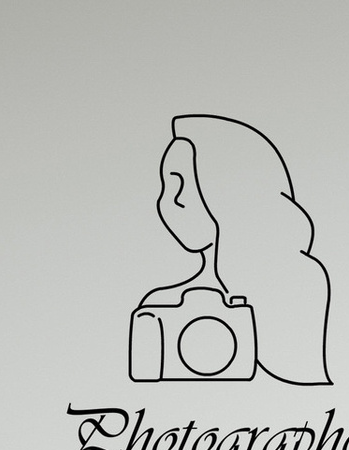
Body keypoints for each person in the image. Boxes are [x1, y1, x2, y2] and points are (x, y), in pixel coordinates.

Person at [129, 115, 330, 387]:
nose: (170, 199)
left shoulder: (162, 303)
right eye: (167, 184)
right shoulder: (160, 306)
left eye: (175, 182)